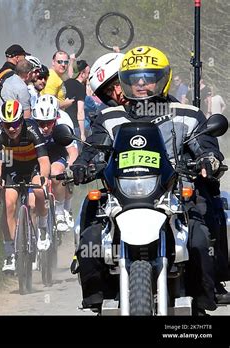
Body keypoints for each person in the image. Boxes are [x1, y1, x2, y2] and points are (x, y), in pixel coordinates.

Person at [71, 46, 224, 315]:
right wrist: (82, 165)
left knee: (199, 237)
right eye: (134, 77)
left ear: (164, 78)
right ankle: (96, 295)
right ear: (124, 80)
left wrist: (207, 159)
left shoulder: (187, 114)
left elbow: (205, 144)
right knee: (91, 235)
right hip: (121, 198)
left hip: (172, 195)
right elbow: (93, 148)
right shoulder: (108, 117)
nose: (141, 83)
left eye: (148, 76)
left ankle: (203, 297)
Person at [0, 100, 50, 272]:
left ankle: (43, 228)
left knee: (39, 190)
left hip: (33, 167)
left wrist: (44, 178)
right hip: (13, 168)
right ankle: (10, 253)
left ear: (21, 121)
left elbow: (44, 161)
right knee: (9, 203)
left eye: (15, 124)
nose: (11, 129)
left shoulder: (32, 129)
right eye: (7, 124)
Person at [31, 94, 78, 233]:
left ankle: (62, 210)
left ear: (55, 118)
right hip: (38, 157)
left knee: (58, 174)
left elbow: (73, 151)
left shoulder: (64, 121)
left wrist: (70, 167)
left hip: (58, 151)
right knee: (32, 202)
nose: (45, 128)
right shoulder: (30, 125)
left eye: (49, 123)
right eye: (41, 123)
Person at [0, 59, 35, 127]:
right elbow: (27, 116)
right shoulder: (22, 87)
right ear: (29, 74)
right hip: (11, 127)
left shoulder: (1, 82)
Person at [63, 59, 90, 141]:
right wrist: (82, 134)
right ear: (82, 73)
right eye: (88, 73)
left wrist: (71, 61)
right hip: (75, 125)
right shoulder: (80, 87)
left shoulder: (67, 82)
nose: (88, 76)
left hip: (64, 122)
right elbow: (80, 111)